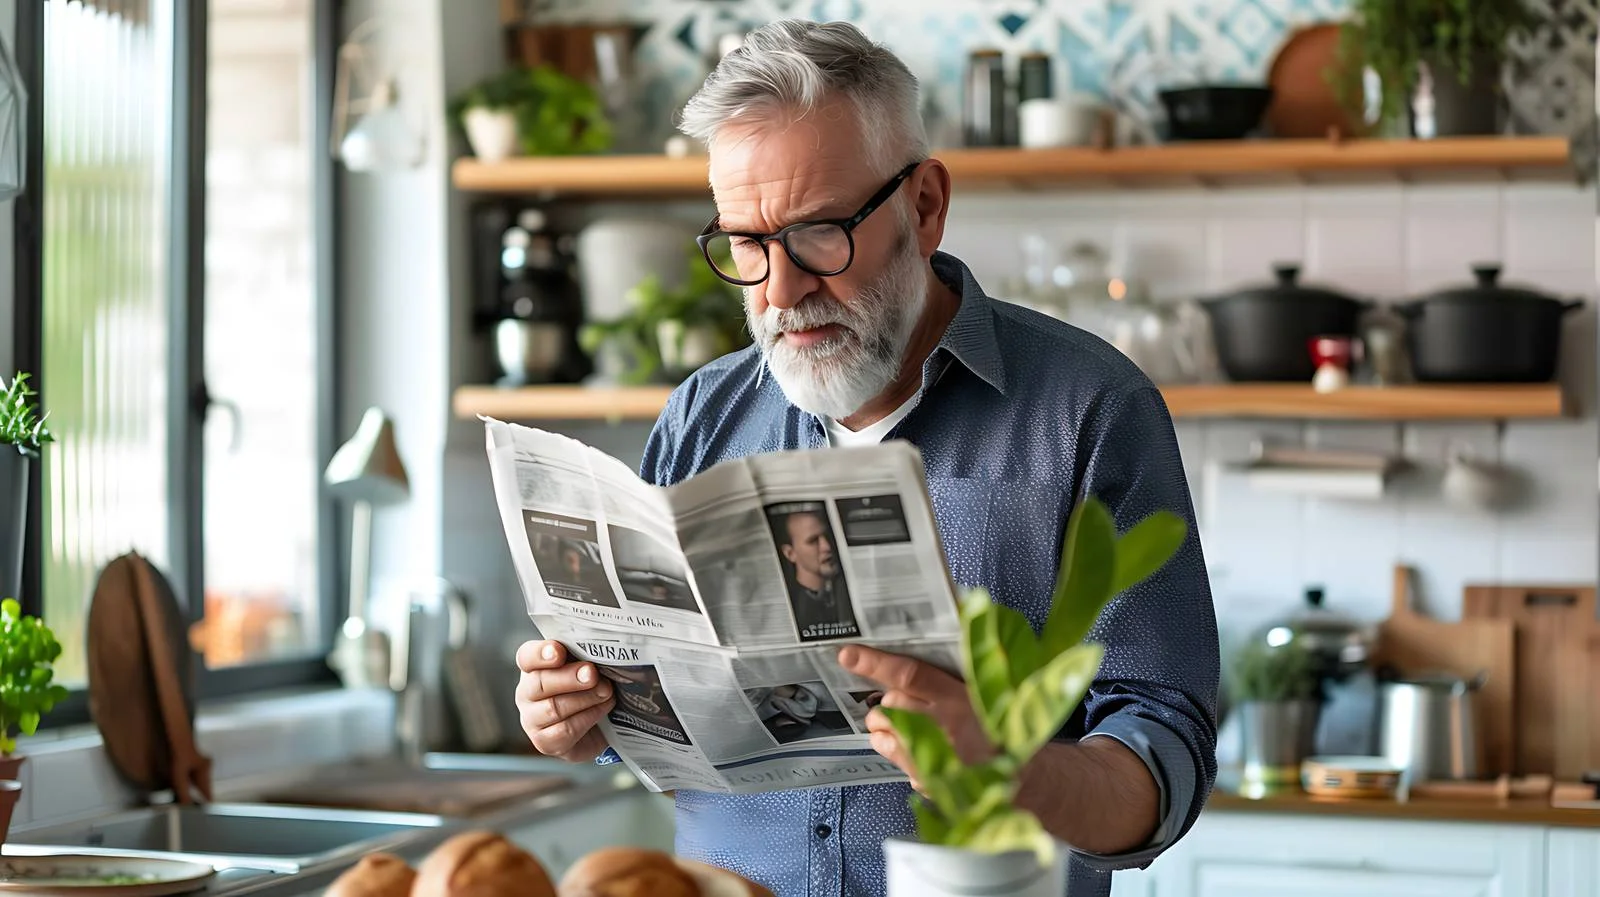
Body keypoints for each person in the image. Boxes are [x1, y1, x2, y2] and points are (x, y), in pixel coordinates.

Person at [514, 19, 1218, 897]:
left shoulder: (1093, 409)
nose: (778, 289)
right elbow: (656, 701)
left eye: (816, 233)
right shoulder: (700, 414)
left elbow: (1165, 756)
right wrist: (582, 712)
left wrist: (1009, 767)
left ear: (923, 206)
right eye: (746, 242)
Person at [775, 508, 858, 639]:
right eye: (813, 541)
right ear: (790, 553)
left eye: (827, 536)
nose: (827, 547)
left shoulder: (849, 589)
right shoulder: (787, 608)